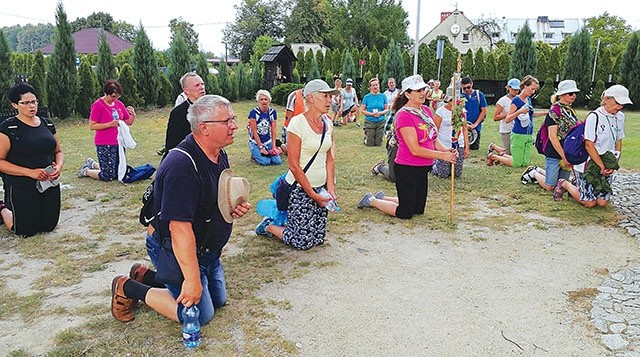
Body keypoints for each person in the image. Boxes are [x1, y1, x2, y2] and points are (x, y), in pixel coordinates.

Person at [110, 95, 251, 325]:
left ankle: (146, 275)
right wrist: (192, 278)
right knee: (200, 315)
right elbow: (179, 229)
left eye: (233, 119)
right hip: (174, 247)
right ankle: (127, 287)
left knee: (218, 300)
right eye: (227, 121)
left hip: (205, 249)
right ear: (204, 128)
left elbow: (212, 196)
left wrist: (231, 207)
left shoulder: (218, 152)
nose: (234, 126)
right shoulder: (182, 166)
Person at [357, 75, 457, 219]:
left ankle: (384, 198)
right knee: (405, 213)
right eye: (418, 90)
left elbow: (432, 138)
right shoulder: (404, 115)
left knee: (418, 209)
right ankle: (372, 200)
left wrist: (445, 150)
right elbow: (414, 149)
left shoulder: (426, 111)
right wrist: (442, 156)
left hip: (423, 167)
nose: (423, 93)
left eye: (423, 89)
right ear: (408, 94)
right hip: (407, 167)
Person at [255, 79, 337, 250]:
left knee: (318, 238)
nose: (330, 101)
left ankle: (289, 220)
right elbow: (294, 165)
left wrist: (330, 189)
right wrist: (312, 195)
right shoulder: (298, 123)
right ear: (311, 98)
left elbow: (329, 159)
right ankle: (269, 225)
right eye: (325, 96)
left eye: (330, 97)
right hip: (300, 189)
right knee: (303, 242)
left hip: (320, 188)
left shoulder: (327, 123)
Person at [0, 83, 64, 237]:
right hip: (22, 184)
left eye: (34, 101)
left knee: (49, 226)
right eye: (26, 103)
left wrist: (58, 167)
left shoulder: (47, 123)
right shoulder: (8, 128)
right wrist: (30, 172)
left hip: (48, 182)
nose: (31, 106)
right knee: (25, 231)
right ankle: (2, 208)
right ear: (15, 105)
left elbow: (58, 151)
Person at [553, 85, 631, 207]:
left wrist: (613, 163)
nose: (620, 107)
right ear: (606, 99)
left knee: (602, 202)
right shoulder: (594, 117)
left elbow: (619, 140)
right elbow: (589, 145)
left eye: (622, 104)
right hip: (588, 161)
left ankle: (579, 185)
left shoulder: (620, 117)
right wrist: (601, 166)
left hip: (606, 162)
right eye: (617, 102)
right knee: (589, 203)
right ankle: (565, 183)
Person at [521, 80, 580, 190]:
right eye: (570, 93)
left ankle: (539, 170)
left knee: (562, 184)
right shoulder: (554, 112)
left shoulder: (570, 110)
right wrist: (564, 156)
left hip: (566, 150)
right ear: (561, 95)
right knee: (550, 186)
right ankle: (534, 173)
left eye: (575, 93)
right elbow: (552, 137)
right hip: (554, 151)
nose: (574, 96)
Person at [78, 79, 136, 180]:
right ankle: (87, 171)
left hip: (118, 142)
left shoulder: (119, 104)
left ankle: (94, 164)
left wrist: (133, 115)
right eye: (113, 96)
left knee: (118, 171)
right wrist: (110, 124)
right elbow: (92, 126)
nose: (115, 99)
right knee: (108, 176)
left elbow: (128, 122)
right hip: (104, 142)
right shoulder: (98, 105)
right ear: (106, 93)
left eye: (117, 96)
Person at [487, 75, 545, 167]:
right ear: (525, 86)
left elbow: (531, 114)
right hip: (518, 134)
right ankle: (493, 156)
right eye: (532, 89)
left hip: (528, 134)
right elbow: (508, 119)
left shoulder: (528, 100)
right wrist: (519, 111)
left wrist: (546, 113)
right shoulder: (516, 101)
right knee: (517, 163)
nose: (533, 92)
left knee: (525, 163)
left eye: (535, 90)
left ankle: (502, 155)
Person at [163, 72, 206, 156]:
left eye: (202, 84)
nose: (202, 88)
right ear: (186, 90)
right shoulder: (178, 113)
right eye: (197, 85)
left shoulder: (212, 107)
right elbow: (172, 144)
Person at [431, 86, 469, 178]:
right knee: (443, 174)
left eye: (455, 100)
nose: (453, 103)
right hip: (444, 145)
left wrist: (466, 147)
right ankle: (433, 165)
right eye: (451, 100)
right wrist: (435, 149)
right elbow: (435, 130)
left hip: (458, 144)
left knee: (456, 174)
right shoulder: (441, 112)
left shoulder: (461, 111)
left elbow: (464, 129)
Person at [247, 89, 282, 165]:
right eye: (261, 99)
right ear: (258, 101)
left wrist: (273, 147)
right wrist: (261, 147)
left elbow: (273, 131)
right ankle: (255, 154)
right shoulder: (254, 113)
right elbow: (254, 132)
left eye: (266, 99)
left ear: (269, 101)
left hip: (267, 141)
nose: (264, 101)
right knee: (266, 162)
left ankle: (268, 152)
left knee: (277, 161)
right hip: (255, 142)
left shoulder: (272, 113)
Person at [493, 78, 520, 155]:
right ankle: (493, 147)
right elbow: (495, 117)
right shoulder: (502, 100)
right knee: (507, 153)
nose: (516, 91)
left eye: (517, 89)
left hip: (517, 129)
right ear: (508, 88)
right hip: (506, 130)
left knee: (516, 152)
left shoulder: (520, 99)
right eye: (514, 89)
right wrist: (509, 113)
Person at [361, 78, 390, 146]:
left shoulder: (383, 96)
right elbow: (362, 110)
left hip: (380, 121)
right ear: (370, 87)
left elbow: (387, 109)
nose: (375, 87)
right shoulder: (366, 97)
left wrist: (380, 113)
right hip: (370, 121)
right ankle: (366, 138)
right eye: (373, 85)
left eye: (376, 85)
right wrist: (371, 114)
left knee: (378, 143)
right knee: (370, 144)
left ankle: (377, 137)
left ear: (379, 85)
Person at [461, 77, 487, 150]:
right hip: (464, 126)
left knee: (474, 148)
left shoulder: (479, 94)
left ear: (472, 84)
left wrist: (475, 124)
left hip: (476, 127)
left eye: (468, 87)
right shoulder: (461, 96)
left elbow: (484, 110)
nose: (467, 90)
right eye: (464, 88)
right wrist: (465, 124)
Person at [283, 87, 306, 153]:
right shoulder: (294, 95)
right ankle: (281, 144)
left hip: (305, 128)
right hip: (293, 127)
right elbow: (288, 116)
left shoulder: (315, 97)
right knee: (292, 152)